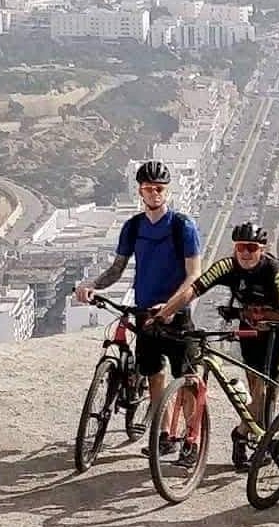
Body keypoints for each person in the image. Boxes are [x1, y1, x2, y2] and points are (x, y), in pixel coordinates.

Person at [75, 161, 202, 448]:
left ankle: (191, 440)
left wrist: (170, 307)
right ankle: (164, 434)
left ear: (167, 191)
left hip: (176, 316)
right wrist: (91, 286)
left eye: (159, 188)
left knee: (187, 382)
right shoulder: (133, 227)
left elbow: (194, 274)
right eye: (148, 188)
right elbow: (116, 269)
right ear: (140, 191)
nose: (154, 193)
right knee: (155, 376)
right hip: (145, 313)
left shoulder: (183, 226)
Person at [154, 222, 279, 470]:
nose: (245, 253)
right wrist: (165, 313)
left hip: (275, 332)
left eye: (251, 248)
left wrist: (248, 312)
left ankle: (244, 434)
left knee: (265, 390)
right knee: (255, 389)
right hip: (248, 329)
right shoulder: (227, 265)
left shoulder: (277, 276)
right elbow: (194, 289)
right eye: (241, 247)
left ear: (262, 249)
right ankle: (253, 432)